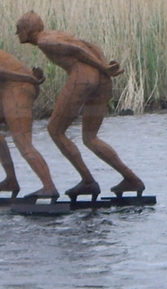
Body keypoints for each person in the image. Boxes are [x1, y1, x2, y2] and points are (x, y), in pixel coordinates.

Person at [16, 11, 145, 201]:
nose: (17, 34)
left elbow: (77, 50)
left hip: (83, 79)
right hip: (102, 81)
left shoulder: (45, 41)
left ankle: (88, 181)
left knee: (55, 130)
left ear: (27, 29)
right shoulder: (56, 33)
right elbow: (89, 45)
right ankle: (131, 179)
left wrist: (103, 66)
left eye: (18, 29)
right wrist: (104, 68)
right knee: (90, 137)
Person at [0, 49, 59, 200]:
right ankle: (11, 180)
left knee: (22, 141)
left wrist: (28, 78)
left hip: (17, 87)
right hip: (16, 87)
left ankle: (49, 186)